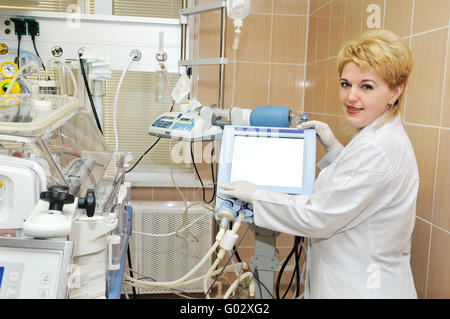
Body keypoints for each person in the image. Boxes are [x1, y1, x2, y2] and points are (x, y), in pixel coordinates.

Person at [219, 29, 418, 299]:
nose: (351, 97)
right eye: (346, 84)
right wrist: (336, 149)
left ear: (396, 91)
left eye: (366, 86)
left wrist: (256, 195)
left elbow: (318, 216)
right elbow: (357, 186)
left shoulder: (379, 147)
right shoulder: (379, 135)